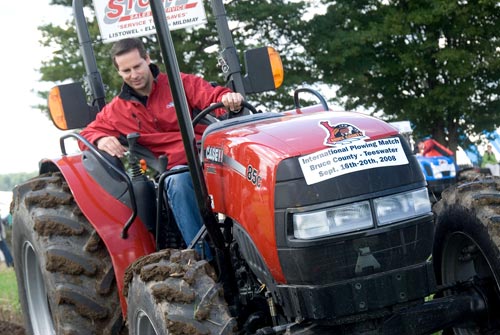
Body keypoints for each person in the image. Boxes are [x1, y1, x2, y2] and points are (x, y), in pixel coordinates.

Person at [79, 38, 244, 258]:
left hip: (206, 158)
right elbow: (86, 136)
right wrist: (100, 139)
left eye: (137, 66)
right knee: (179, 180)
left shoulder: (179, 83)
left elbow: (213, 97)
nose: (134, 75)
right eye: (126, 70)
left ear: (148, 60)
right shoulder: (117, 110)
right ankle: (206, 261)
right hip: (174, 170)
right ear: (119, 72)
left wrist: (228, 98)